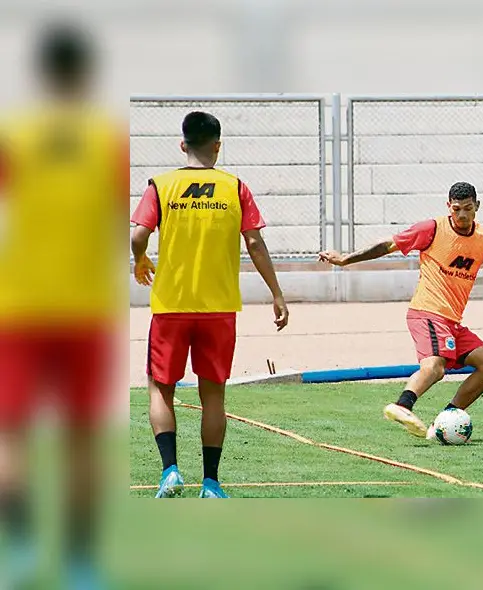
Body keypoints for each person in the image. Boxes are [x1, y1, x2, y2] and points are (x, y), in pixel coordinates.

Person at [0, 22, 123, 589]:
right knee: (82, 441)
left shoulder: (15, 136)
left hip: (20, 306)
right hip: (84, 308)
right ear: (86, 74)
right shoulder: (107, 141)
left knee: (11, 435)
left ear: (42, 74)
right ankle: (80, 563)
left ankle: (21, 547)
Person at [319, 181, 483, 438]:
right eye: (456, 209)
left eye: (468, 208)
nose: (462, 215)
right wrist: (345, 259)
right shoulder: (432, 229)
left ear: (477, 206)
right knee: (435, 367)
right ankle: (402, 406)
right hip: (427, 312)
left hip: (452, 322)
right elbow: (387, 245)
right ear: (448, 206)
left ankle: (445, 420)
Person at [130, 111, 289, 499]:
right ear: (218, 146)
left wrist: (140, 258)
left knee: (160, 388)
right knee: (213, 395)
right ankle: (211, 483)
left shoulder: (160, 186)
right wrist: (276, 293)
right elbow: (255, 243)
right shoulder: (235, 187)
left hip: (172, 306)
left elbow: (137, 235)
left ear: (182, 144)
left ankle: (170, 472)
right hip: (219, 308)